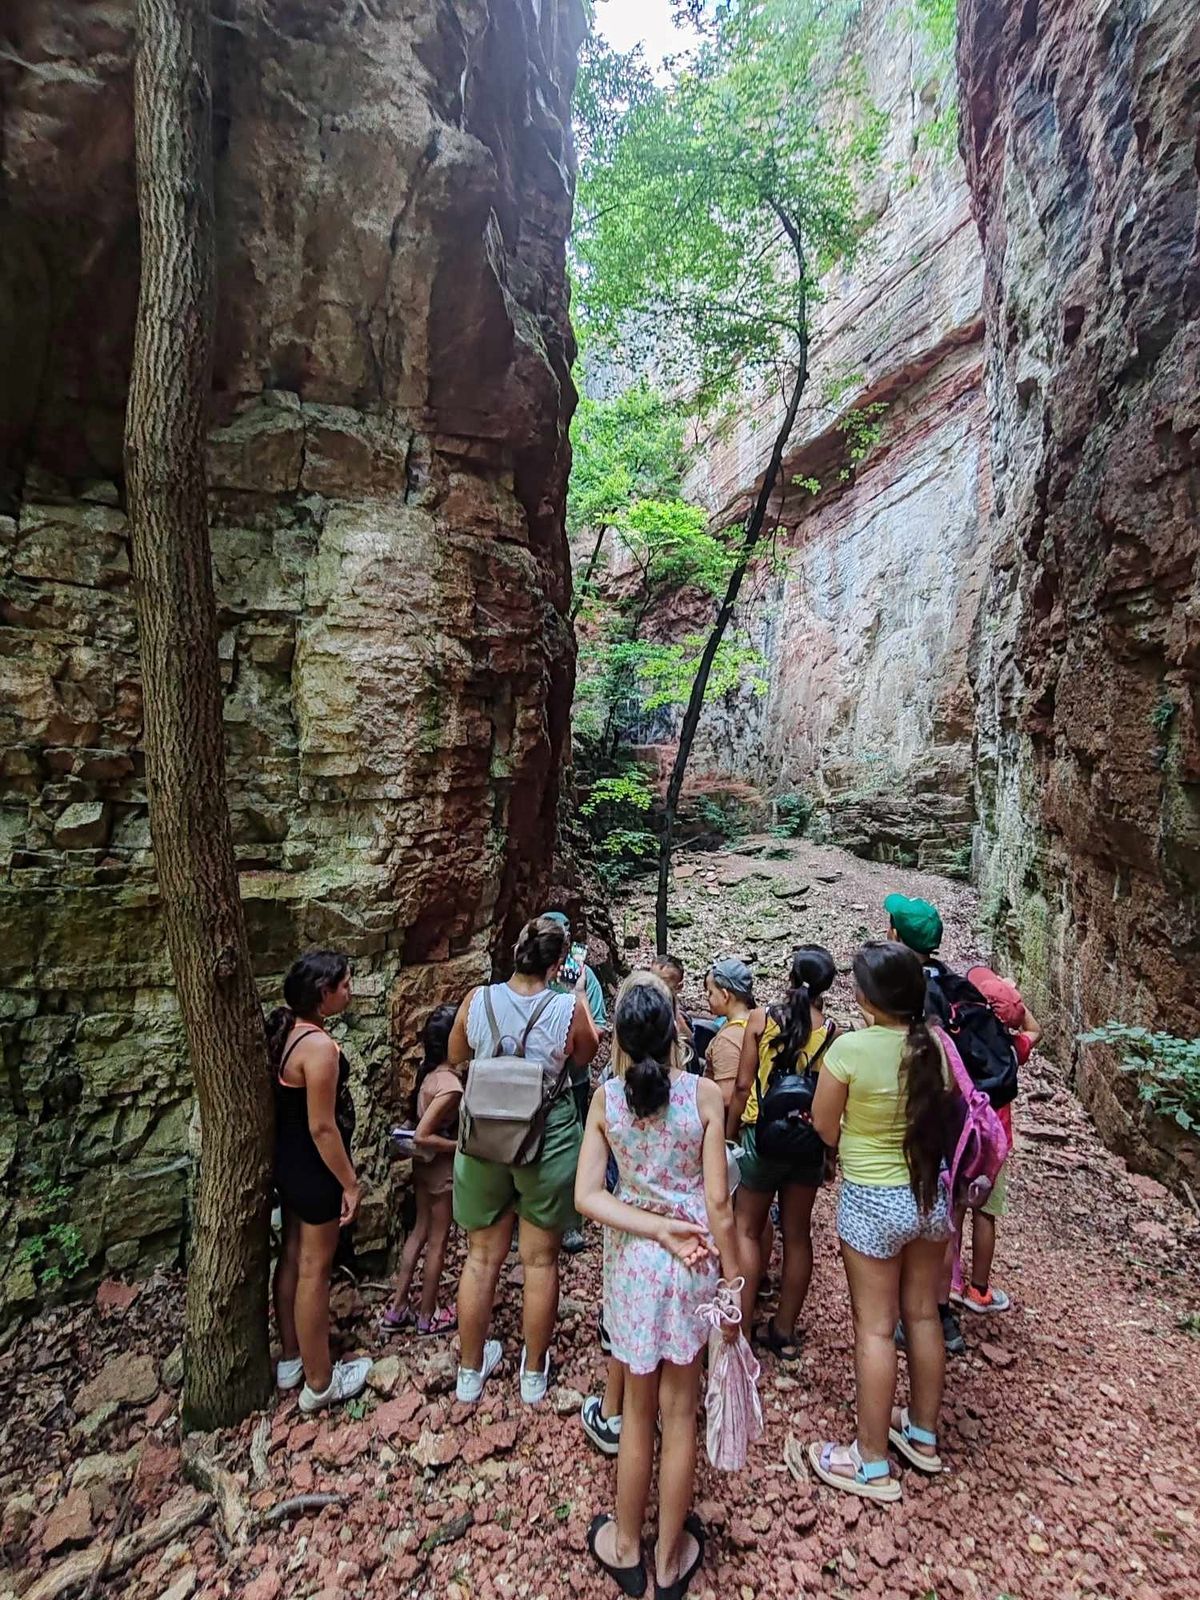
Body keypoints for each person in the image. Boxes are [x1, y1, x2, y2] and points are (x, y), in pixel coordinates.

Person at [577, 972, 740, 1598]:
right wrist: (734, 1283)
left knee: (637, 1413)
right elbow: (720, 1207)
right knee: (680, 1414)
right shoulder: (703, 1097)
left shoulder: (607, 1100)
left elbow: (588, 1196)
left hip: (634, 1272)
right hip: (694, 1265)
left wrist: (651, 1227)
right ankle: (670, 1561)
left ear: (616, 1034)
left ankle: (624, 1545)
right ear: (678, 1030)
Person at [807, 941, 955, 1502]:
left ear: (868, 998)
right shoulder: (935, 1048)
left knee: (873, 1327)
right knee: (921, 1316)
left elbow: (824, 1127)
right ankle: (922, 1435)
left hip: (872, 1197)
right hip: (926, 1195)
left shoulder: (849, 1049)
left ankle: (869, 1461)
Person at [449, 916, 599, 1404]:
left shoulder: (478, 999)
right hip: (546, 1137)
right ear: (558, 964)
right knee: (539, 1261)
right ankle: (532, 1374)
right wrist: (574, 995)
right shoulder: (566, 1007)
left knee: (480, 1257)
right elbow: (583, 1058)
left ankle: (469, 1373)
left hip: (484, 1137)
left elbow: (456, 1054)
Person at [269, 950, 372, 1414]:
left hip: (288, 1165)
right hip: (316, 1170)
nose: (350, 991)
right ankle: (320, 1381)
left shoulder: (287, 1033)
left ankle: (292, 1357)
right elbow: (323, 1126)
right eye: (345, 985)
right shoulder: (320, 1049)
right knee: (315, 1271)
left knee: (291, 1257)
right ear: (323, 995)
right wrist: (349, 1183)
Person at [727, 946, 837, 1357]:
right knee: (797, 1235)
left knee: (747, 1229)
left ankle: (739, 1324)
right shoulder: (831, 1033)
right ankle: (784, 1332)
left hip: (761, 1136)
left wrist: (731, 1133)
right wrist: (829, 1151)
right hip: (806, 1140)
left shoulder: (762, 1020)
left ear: (790, 976)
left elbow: (741, 1087)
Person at [952, 964, 1041, 1312]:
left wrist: (990, 995)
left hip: (964, 1141)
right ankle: (980, 1290)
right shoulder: (1011, 1048)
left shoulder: (961, 1042)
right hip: (996, 1145)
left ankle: (951, 1282)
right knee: (986, 1215)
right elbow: (1036, 1030)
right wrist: (1012, 1001)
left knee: (956, 1209)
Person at [382, 1003, 461, 1336]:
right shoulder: (451, 1086)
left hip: (422, 1169)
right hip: (441, 1172)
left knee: (419, 1232)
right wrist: (461, 1147)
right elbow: (423, 1134)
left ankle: (398, 1307)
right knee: (438, 1241)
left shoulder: (428, 1075)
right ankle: (427, 1314)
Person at [544, 909, 607, 1255]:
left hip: (575, 1078)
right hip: (539, 1081)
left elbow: (597, 1026)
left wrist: (575, 998)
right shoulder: (532, 976)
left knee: (575, 1147)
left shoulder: (586, 980)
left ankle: (570, 1221)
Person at [702, 958, 756, 1107]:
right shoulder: (757, 1019)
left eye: (711, 992)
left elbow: (725, 1097)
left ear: (725, 995)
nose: (707, 997)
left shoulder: (727, 1040)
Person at [650, 954, 693, 1043]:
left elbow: (689, 1041)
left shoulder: (680, 1015)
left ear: (679, 987)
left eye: (662, 983)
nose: (653, 987)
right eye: (651, 980)